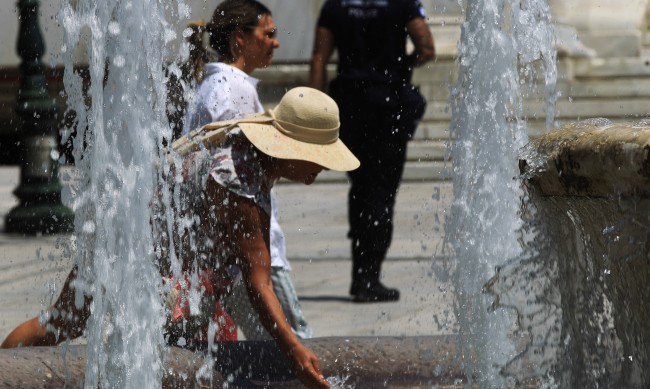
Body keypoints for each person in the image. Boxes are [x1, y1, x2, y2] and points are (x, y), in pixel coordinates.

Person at [3, 86, 359, 389]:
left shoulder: (246, 149)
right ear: (291, 146)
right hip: (135, 250)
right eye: (317, 157)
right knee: (70, 324)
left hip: (126, 232)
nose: (323, 166)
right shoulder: (241, 186)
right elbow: (258, 282)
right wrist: (294, 348)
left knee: (62, 322)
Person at [181, 0, 312, 340]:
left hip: (227, 252)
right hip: (247, 251)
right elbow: (232, 177)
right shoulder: (233, 90)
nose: (276, 42)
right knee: (292, 346)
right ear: (241, 38)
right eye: (268, 34)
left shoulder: (217, 85)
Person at [309, 0, 435, 303]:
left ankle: (361, 275)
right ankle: (369, 277)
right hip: (388, 102)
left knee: (361, 187)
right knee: (382, 192)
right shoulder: (401, 3)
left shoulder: (335, 5)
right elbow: (427, 47)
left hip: (350, 104)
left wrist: (313, 109)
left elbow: (318, 60)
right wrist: (402, 64)